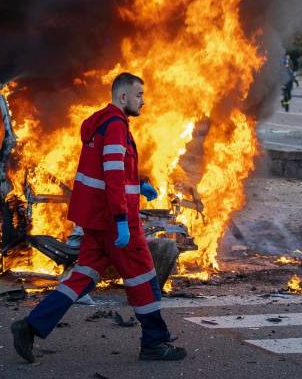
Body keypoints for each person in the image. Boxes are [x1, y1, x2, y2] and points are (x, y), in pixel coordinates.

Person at [11, 73, 186, 363]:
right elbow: (113, 175)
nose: (143, 101)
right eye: (139, 95)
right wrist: (121, 220)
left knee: (83, 276)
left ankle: (30, 326)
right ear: (123, 97)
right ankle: (154, 343)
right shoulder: (116, 126)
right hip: (115, 223)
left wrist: (138, 185)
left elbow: (110, 171)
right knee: (144, 279)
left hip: (96, 221)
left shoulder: (101, 123)